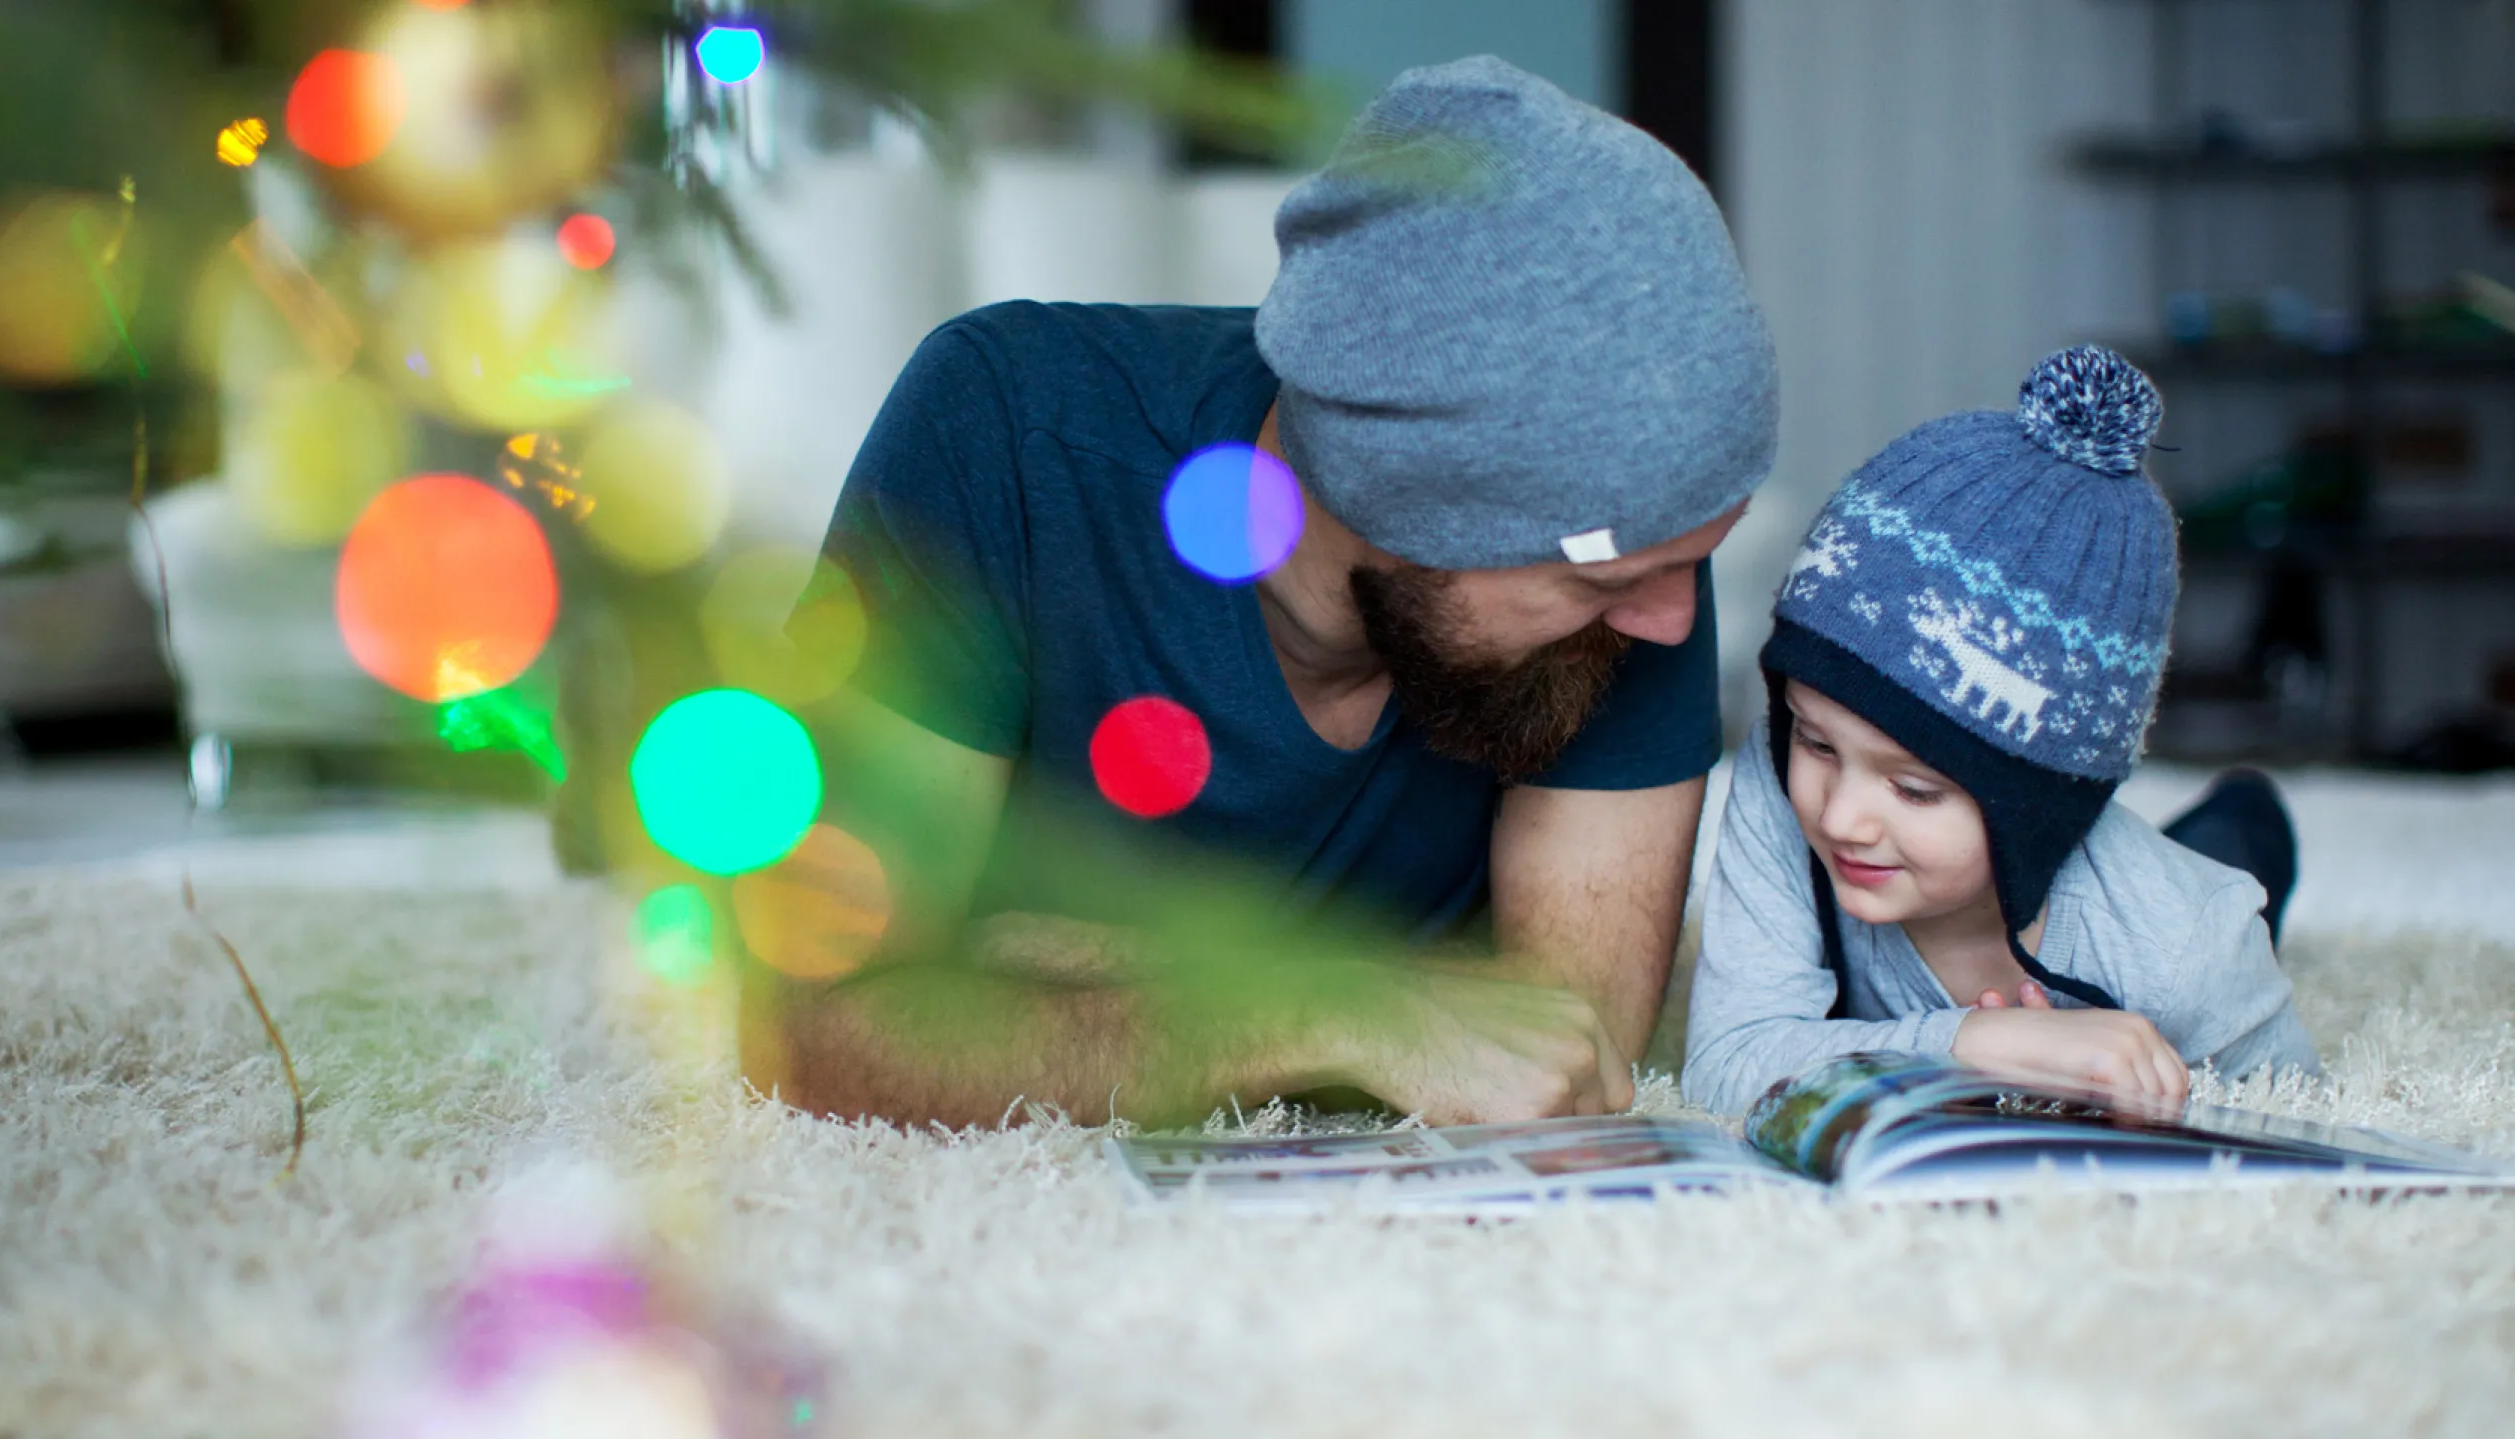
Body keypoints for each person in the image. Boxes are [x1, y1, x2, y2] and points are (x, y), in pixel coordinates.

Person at [733, 57, 1779, 1129]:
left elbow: (1562, 1042)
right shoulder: (1004, 429)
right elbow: (813, 1029)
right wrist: (1331, 999)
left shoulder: (1635, 566)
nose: (1673, 621)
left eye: (1683, 560)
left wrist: (1030, 954)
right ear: (1397, 502)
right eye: (1600, 578)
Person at [1681, 347, 2320, 1117]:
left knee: (2219, 861)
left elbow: (2297, 1112)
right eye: (1818, 742)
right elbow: (1727, 1062)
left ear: (2034, 806)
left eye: (1915, 788)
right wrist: (1976, 1043)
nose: (1840, 815)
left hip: (2168, 896)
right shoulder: (1782, 776)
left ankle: (2243, 820)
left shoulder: (2188, 945)